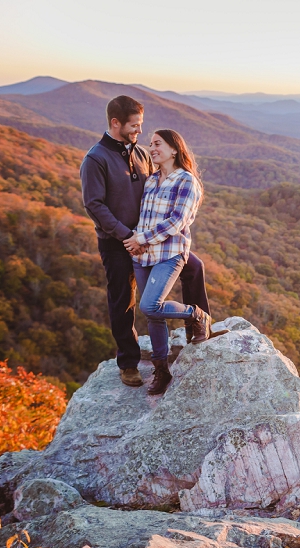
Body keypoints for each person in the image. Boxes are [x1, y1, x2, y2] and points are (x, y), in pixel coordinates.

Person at [80, 95, 211, 388]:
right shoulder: (96, 159)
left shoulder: (140, 154)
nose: (139, 131)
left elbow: (163, 197)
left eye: (141, 125)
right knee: (123, 300)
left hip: (150, 241)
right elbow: (94, 205)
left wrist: (143, 237)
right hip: (119, 241)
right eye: (134, 126)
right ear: (116, 123)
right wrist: (128, 238)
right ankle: (128, 362)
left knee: (194, 266)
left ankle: (199, 325)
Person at [124, 129, 211, 395]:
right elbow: (143, 217)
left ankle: (196, 314)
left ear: (174, 149)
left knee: (151, 304)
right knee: (153, 315)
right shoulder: (150, 181)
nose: (152, 148)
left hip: (170, 253)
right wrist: (136, 243)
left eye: (157, 143)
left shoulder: (186, 181)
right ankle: (161, 370)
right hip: (143, 256)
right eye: (150, 144)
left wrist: (142, 238)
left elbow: (177, 221)